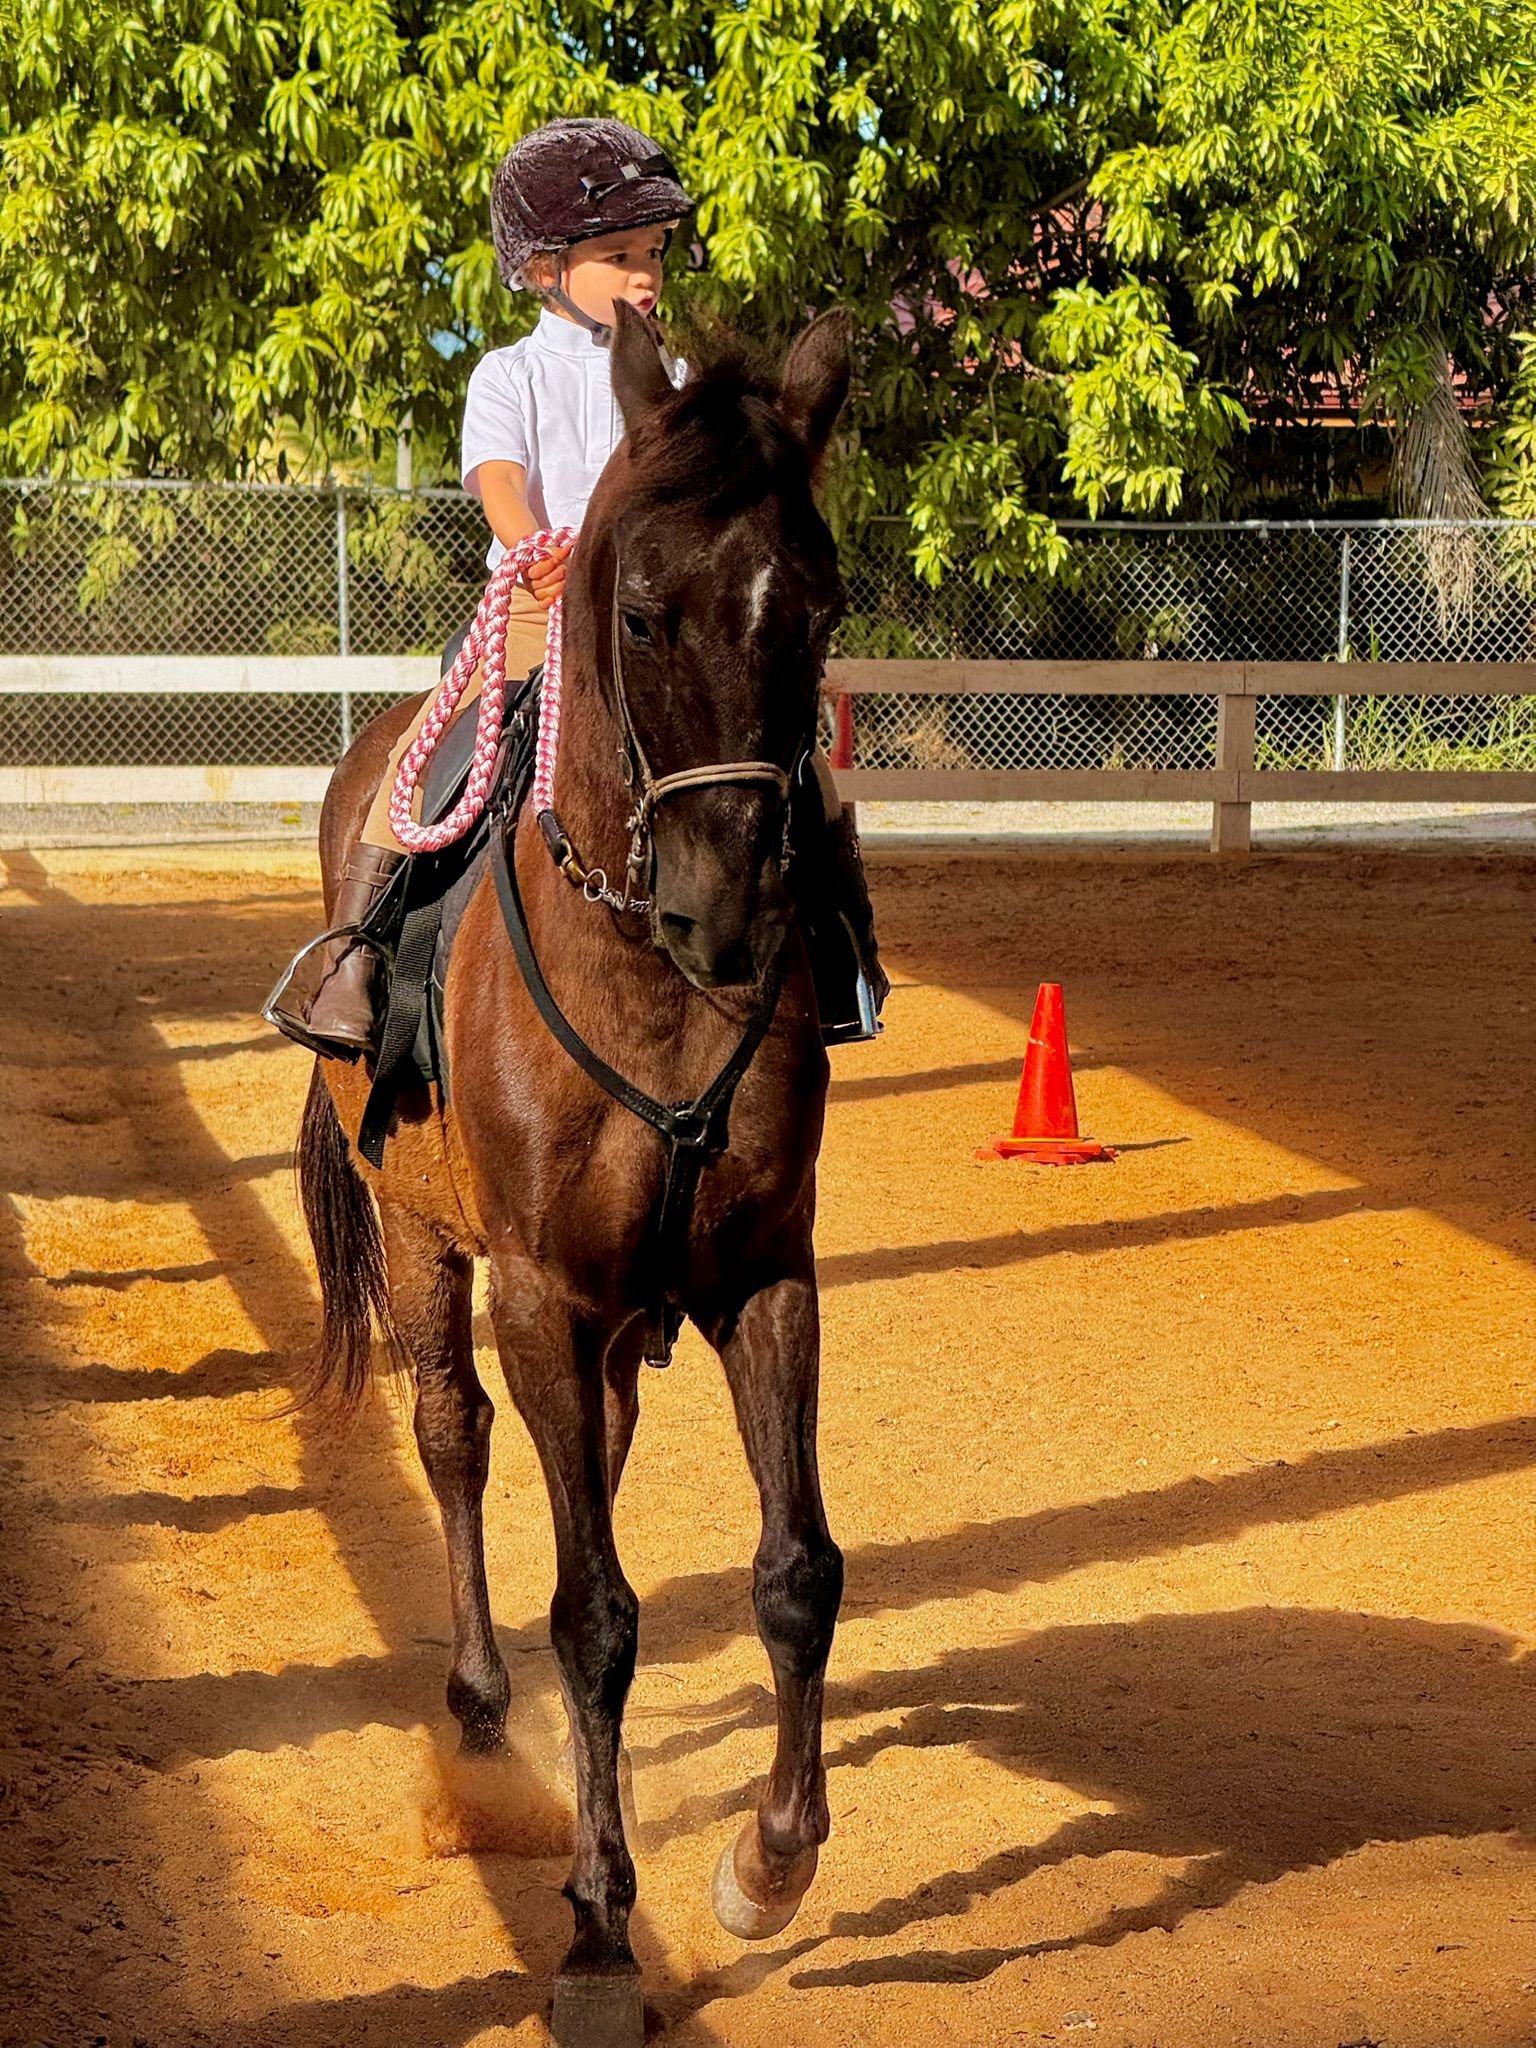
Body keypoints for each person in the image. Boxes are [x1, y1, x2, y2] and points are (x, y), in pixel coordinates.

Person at [268, 115, 885, 1061]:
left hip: (652, 626)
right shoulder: (506, 374)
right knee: (423, 756)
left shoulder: (675, 380)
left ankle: (845, 952)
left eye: (654, 252)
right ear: (545, 267)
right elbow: (499, 481)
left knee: (805, 769)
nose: (646, 274)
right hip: (534, 609)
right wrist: (534, 549)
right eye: (619, 254)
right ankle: (351, 956)